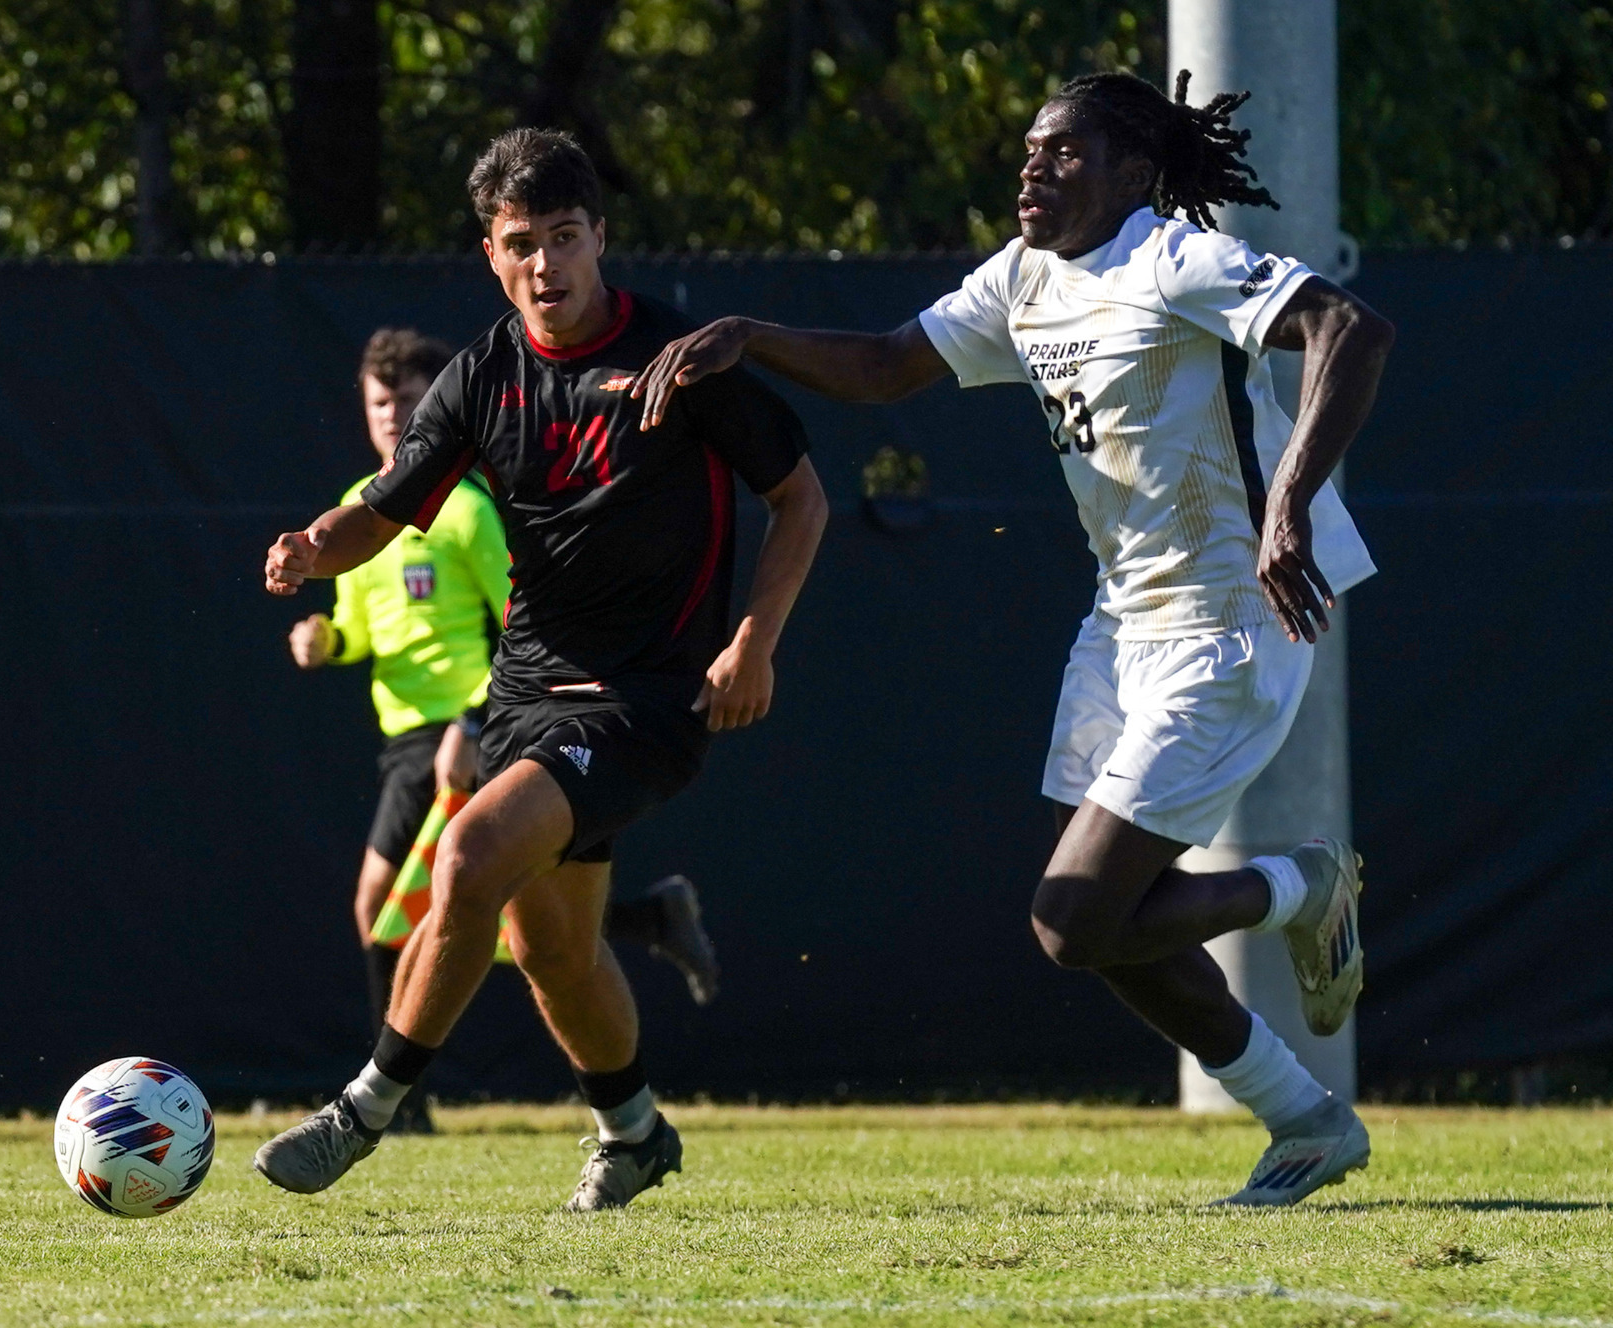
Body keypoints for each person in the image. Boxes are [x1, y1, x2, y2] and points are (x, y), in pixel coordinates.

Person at [628, 71, 1394, 1207]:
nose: (1033, 166)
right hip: (1118, 622)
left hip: (1231, 618)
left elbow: (1347, 325)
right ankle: (1304, 1121)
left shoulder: (1169, 257)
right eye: (1030, 149)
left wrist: (1288, 501)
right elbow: (891, 364)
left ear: (1131, 175)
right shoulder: (1023, 274)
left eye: (1065, 151)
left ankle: (1296, 888)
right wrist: (747, 336)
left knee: (1072, 917)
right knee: (1103, 923)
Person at [259, 127, 827, 1211]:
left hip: (645, 699)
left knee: (468, 856)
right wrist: (311, 547)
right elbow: (380, 510)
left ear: (599, 237)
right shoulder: (481, 375)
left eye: (565, 238)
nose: (546, 266)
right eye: (522, 243)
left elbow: (798, 496)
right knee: (548, 944)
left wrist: (753, 641)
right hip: (527, 692)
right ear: (491, 254)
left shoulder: (682, 356)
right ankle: (634, 1132)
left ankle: (364, 1107)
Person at [292, 333, 726, 1136]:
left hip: (466, 731)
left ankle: (394, 1100)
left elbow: (524, 628)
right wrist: (329, 638)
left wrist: (471, 720)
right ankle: (650, 921)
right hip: (404, 735)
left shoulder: (464, 508)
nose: (396, 418)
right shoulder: (368, 505)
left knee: (401, 902)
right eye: (380, 403)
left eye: (412, 403)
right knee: (506, 912)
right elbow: (363, 625)